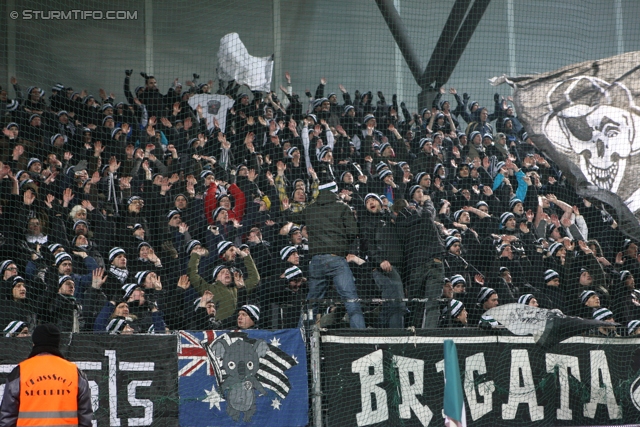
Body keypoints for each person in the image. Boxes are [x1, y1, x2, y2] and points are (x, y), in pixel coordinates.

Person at [289, 181, 365, 329]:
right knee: (351, 300)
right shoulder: (342, 207)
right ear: (334, 191)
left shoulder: (311, 209)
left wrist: (286, 211)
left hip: (316, 261)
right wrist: (342, 246)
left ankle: (300, 338)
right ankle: (359, 336)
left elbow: (295, 218)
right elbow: (353, 232)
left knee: (311, 303)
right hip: (336, 259)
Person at [0, 324, 93, 427]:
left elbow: (7, 418)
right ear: (57, 344)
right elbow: (85, 419)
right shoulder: (75, 373)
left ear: (34, 344)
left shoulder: (20, 372)